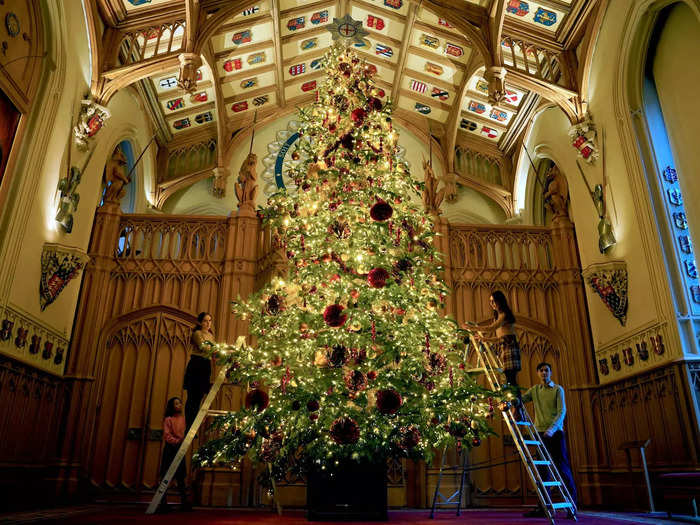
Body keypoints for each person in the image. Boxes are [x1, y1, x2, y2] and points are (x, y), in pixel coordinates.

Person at [522, 362, 578, 518]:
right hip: (540, 434)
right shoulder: (534, 390)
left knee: (562, 469)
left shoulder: (557, 389)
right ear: (537, 373)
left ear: (550, 372)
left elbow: (562, 411)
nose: (544, 373)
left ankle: (571, 506)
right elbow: (521, 399)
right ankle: (542, 508)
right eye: (541, 370)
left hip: (555, 434)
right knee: (542, 472)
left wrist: (552, 429)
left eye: (546, 370)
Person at [469, 290, 525, 420]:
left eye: (494, 301)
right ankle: (516, 407)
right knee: (508, 379)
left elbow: (492, 328)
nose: (492, 304)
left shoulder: (504, 315)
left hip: (510, 347)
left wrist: (474, 328)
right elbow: (499, 338)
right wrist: (485, 340)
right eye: (490, 302)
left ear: (500, 301)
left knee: (511, 379)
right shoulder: (498, 316)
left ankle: (518, 408)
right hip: (504, 347)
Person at [184, 312, 215, 431]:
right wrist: (215, 349)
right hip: (197, 364)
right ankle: (189, 424)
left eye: (210, 320)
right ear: (200, 322)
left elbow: (213, 349)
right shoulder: (197, 333)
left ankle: (194, 424)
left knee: (200, 395)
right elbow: (204, 347)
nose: (208, 323)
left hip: (206, 365)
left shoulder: (211, 336)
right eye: (205, 321)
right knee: (193, 396)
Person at [157, 397, 190, 512]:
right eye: (176, 404)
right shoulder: (168, 419)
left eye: (180, 403)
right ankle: (163, 502)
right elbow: (167, 435)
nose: (179, 405)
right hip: (171, 449)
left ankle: (184, 502)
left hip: (180, 449)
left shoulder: (183, 419)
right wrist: (177, 442)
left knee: (181, 477)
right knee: (166, 475)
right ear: (172, 406)